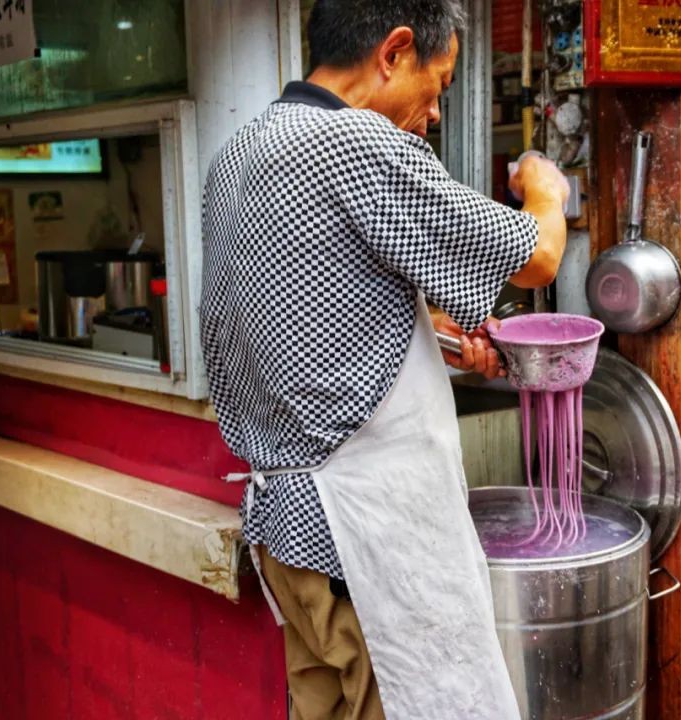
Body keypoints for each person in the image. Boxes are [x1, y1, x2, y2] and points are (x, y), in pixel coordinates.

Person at [199, 1, 569, 718]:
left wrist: (443, 338)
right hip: (364, 542)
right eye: (442, 81)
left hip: (288, 534)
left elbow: (307, 310)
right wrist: (544, 191)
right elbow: (538, 255)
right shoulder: (357, 144)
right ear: (394, 51)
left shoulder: (238, 153)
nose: (435, 112)